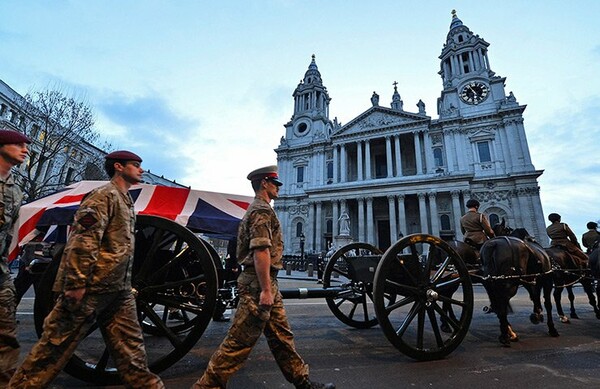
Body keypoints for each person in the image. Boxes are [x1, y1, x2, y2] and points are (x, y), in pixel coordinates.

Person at [10, 150, 164, 388]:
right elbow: (84, 241)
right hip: (91, 288)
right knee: (51, 351)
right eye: (135, 165)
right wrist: (77, 283)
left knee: (133, 356)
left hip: (118, 290)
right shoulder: (102, 197)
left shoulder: (124, 200)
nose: (141, 169)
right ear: (118, 167)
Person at [192, 165, 335, 389]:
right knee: (238, 342)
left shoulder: (262, 209)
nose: (279, 187)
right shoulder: (261, 211)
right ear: (264, 184)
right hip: (258, 285)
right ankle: (206, 386)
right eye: (275, 183)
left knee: (281, 337)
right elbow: (261, 252)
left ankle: (302, 381)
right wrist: (266, 290)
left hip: (265, 283)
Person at [0, 129, 30, 386]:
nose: (26, 149)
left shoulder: (16, 191)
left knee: (7, 336)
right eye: (18, 144)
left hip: (0, 275)